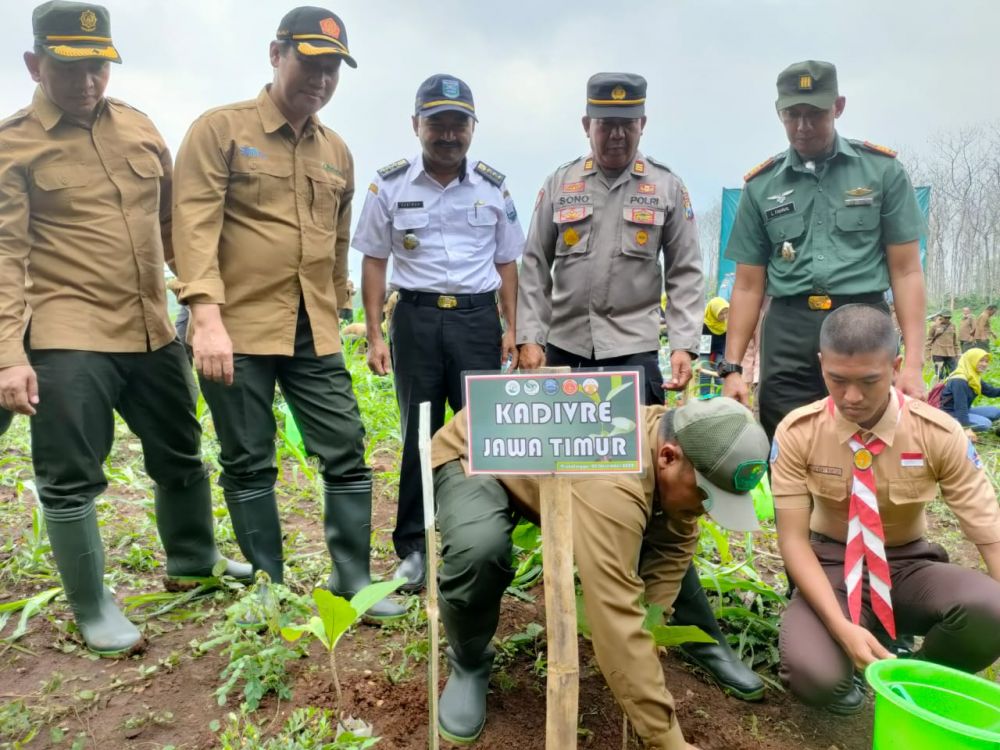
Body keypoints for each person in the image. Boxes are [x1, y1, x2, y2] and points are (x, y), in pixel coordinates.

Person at [0, 0, 249, 655]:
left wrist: (206, 309)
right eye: (69, 68)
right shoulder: (14, 144)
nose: (87, 83)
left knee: (180, 451)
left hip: (150, 329)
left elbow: (175, 229)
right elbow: (5, 254)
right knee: (69, 475)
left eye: (98, 69)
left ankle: (194, 560)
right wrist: (7, 356)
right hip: (67, 335)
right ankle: (93, 606)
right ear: (35, 63)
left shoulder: (138, 128)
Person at [515, 72, 762, 700]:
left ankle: (694, 632)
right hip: (566, 359)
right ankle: (574, 615)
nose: (616, 133)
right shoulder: (558, 185)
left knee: (659, 496)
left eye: (628, 123)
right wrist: (529, 334)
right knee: (561, 485)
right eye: (605, 122)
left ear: (643, 125)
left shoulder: (667, 189)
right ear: (586, 125)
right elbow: (534, 264)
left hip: (632, 362)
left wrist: (682, 342)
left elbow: (685, 272)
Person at [171, 7, 403, 621]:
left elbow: (335, 246)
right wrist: (206, 319)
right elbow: (191, 231)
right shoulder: (218, 130)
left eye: (332, 69)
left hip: (313, 329)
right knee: (248, 456)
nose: (320, 79)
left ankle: (352, 577)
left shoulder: (337, 153)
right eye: (309, 62)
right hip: (236, 326)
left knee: (346, 445)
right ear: (276, 54)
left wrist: (344, 313)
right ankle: (269, 586)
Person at [431, 397, 770, 748]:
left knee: (667, 523)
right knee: (479, 549)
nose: (706, 512)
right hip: (479, 455)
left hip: (558, 473)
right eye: (704, 496)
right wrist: (668, 741)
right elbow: (614, 615)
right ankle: (468, 661)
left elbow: (672, 551)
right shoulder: (615, 484)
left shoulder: (672, 441)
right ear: (667, 457)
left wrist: (650, 636)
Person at [771, 305, 1000, 714]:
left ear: (895, 366)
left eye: (869, 381)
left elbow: (990, 534)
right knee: (814, 676)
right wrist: (840, 628)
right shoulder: (798, 432)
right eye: (837, 380)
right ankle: (850, 664)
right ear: (822, 364)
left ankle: (918, 679)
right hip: (831, 566)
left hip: (908, 566)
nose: (852, 397)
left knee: (992, 609)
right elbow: (792, 540)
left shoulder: (937, 433)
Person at [352, 74, 523, 592]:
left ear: (472, 127)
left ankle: (481, 540)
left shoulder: (493, 188)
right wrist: (377, 332)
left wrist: (512, 328)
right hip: (417, 321)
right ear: (416, 125)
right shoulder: (390, 186)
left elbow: (508, 263)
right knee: (417, 437)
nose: (448, 134)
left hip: (476, 321)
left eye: (458, 123)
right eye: (437, 123)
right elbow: (374, 260)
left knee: (482, 435)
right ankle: (413, 547)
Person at [721, 60, 927, 440]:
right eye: (792, 115)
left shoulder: (881, 173)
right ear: (779, 112)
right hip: (789, 331)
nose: (802, 126)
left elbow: (906, 271)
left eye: (814, 113)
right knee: (785, 440)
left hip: (862, 325)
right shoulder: (761, 186)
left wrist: (913, 362)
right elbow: (748, 285)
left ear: (838, 106)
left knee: (867, 440)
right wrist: (733, 367)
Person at [939, 348, 1000, 432]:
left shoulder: (972, 377)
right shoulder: (959, 381)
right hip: (950, 414)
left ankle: (969, 420)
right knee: (985, 424)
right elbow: (960, 408)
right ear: (971, 360)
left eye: (986, 361)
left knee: (996, 411)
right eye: (981, 361)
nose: (984, 364)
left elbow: (991, 392)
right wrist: (966, 429)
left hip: (965, 410)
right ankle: (949, 425)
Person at [925, 309, 959, 381]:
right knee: (939, 374)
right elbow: (929, 340)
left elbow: (955, 342)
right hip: (938, 353)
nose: (947, 319)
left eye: (949, 318)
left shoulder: (952, 326)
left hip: (950, 353)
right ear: (941, 317)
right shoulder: (934, 326)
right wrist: (927, 355)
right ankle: (939, 389)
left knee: (953, 373)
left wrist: (957, 354)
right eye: (945, 317)